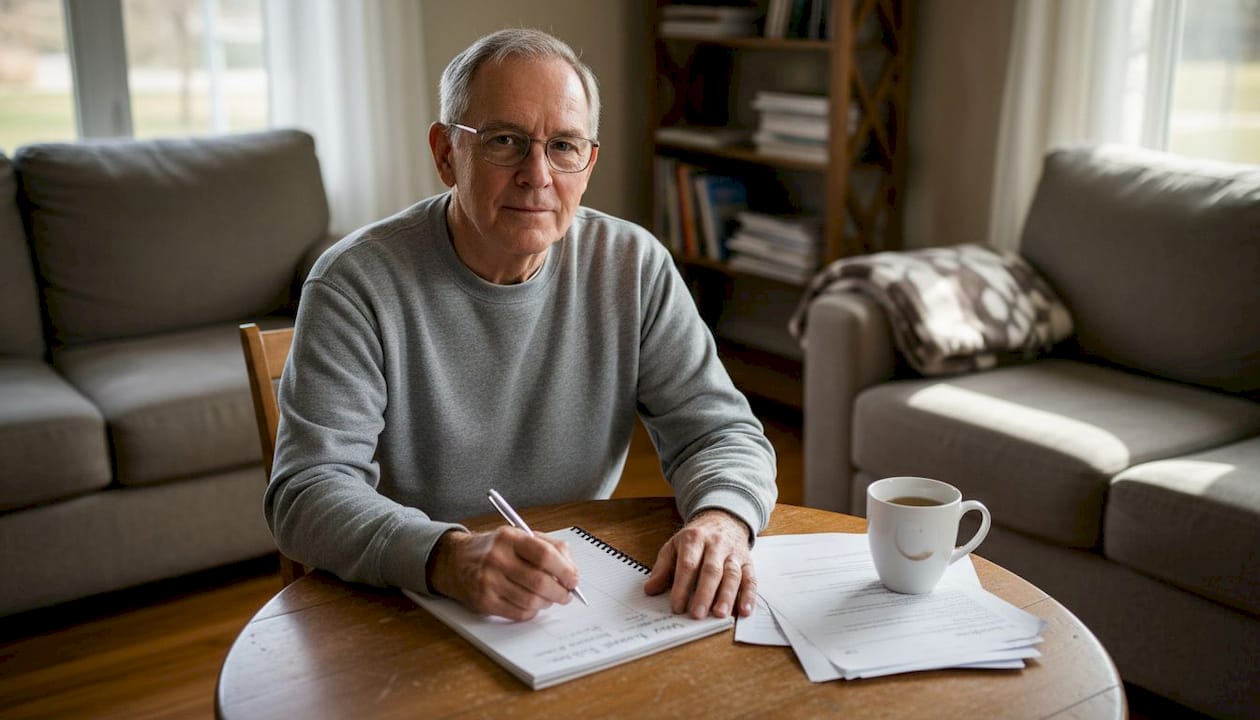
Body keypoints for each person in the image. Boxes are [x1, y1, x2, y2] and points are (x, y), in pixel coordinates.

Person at [265, 28, 777, 623]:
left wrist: (723, 519)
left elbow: (721, 433)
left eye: (563, 146)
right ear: (445, 153)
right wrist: (447, 556)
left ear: (588, 163)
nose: (537, 174)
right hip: (404, 602)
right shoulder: (355, 282)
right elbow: (307, 491)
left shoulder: (632, 266)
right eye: (504, 141)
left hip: (574, 596)